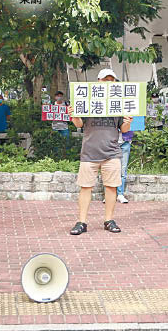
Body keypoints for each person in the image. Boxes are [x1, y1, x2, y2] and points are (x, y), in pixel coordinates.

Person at [68, 69, 132, 235]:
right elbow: (79, 124)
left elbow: (123, 129)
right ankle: (81, 222)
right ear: (98, 82)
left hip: (112, 152)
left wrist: (128, 121)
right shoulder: (87, 100)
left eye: (112, 80)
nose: (108, 83)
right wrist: (73, 115)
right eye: (105, 80)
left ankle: (108, 220)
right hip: (90, 152)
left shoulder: (120, 102)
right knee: (85, 187)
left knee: (111, 188)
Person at [116, 130, 133, 204]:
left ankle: (120, 194)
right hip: (111, 142)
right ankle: (109, 195)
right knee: (109, 169)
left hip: (125, 142)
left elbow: (136, 123)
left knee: (123, 170)